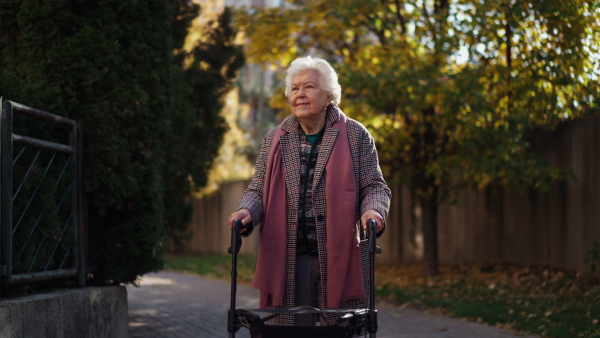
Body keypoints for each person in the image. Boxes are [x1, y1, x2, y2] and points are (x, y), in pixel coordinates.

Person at [228, 56, 391, 327]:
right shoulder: (275, 138)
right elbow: (258, 189)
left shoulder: (355, 134)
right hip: (288, 255)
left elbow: (374, 185)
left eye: (309, 87)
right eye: (294, 88)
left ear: (329, 96)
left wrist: (373, 211)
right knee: (293, 331)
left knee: (337, 331)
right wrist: (246, 211)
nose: (300, 94)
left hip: (341, 255)